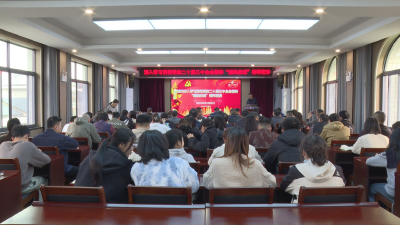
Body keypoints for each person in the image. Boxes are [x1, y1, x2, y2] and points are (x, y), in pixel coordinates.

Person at [75, 128, 135, 203]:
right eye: (131, 145)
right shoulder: (126, 165)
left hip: (79, 205)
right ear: (122, 145)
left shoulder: (90, 157)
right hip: (110, 211)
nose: (132, 149)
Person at [280, 135, 346, 203]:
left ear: (303, 152)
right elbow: (343, 186)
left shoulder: (295, 171)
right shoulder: (337, 170)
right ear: (325, 151)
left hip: (302, 212)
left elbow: (283, 186)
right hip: (333, 212)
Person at [204, 127, 276, 188]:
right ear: (246, 143)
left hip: (224, 204)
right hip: (250, 203)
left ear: (226, 142)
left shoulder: (216, 163)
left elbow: (206, 183)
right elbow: (272, 182)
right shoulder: (256, 163)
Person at [130, 130, 199, 193]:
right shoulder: (179, 162)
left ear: (141, 147)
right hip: (177, 205)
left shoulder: (136, 167)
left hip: (147, 206)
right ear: (164, 144)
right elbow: (194, 186)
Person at [0, 125, 51, 198]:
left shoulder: (2, 145)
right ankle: (40, 207)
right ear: (27, 136)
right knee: (44, 181)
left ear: (13, 137)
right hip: (21, 187)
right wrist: (39, 152)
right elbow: (47, 160)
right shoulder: (27, 145)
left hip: (4, 186)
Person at [366, 128, 400, 203]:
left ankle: (374, 211)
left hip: (394, 191)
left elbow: (368, 161)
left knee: (371, 188)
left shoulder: (389, 154)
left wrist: (377, 156)